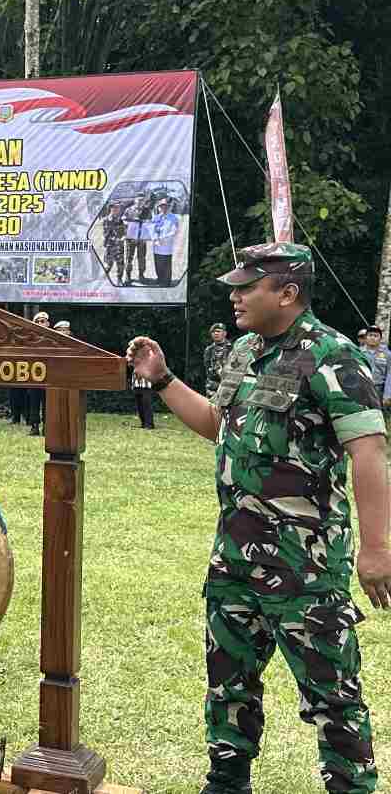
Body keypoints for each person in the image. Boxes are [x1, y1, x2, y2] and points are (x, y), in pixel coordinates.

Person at [128, 242, 390, 794]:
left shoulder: (334, 356)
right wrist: (162, 378)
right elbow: (216, 424)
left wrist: (376, 549)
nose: (236, 296)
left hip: (305, 567)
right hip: (235, 556)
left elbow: (368, 451)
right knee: (229, 682)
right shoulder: (244, 351)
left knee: (331, 694)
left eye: (248, 287)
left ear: (288, 293)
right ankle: (227, 780)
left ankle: (351, 787)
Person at [150, 198, 180, 286]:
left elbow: (174, 231)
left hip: (166, 245)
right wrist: (155, 239)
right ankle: (160, 279)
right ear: (159, 207)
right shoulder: (156, 217)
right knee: (158, 263)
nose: (163, 208)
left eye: (165, 206)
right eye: (162, 206)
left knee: (166, 264)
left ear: (168, 207)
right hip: (156, 245)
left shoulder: (173, 218)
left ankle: (166, 281)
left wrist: (162, 238)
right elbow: (152, 229)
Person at [123, 194, 151, 284]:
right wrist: (129, 222)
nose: (140, 202)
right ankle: (127, 276)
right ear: (135, 200)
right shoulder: (129, 210)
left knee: (142, 258)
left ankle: (141, 275)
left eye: (142, 200)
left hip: (142, 239)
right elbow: (123, 219)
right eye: (138, 200)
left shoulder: (147, 211)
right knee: (128, 258)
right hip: (130, 238)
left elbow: (150, 223)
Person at [202, 322, 232, 397]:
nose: (216, 333)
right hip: (213, 387)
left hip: (228, 385)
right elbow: (208, 368)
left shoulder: (232, 348)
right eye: (213, 332)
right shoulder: (209, 350)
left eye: (218, 331)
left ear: (224, 333)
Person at [359, 326, 389, 397]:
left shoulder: (387, 354)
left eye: (376, 336)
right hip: (362, 389)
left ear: (380, 339)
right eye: (370, 335)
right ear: (366, 337)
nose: (372, 338)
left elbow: (389, 375)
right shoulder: (359, 352)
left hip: (379, 391)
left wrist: (387, 394)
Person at [101, 202, 126, 285]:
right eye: (115, 207)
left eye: (118, 208)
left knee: (120, 264)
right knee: (108, 264)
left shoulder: (120, 220)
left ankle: (119, 279)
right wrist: (117, 239)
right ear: (111, 208)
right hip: (110, 246)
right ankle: (103, 280)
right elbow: (106, 234)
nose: (117, 209)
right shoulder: (106, 220)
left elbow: (123, 232)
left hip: (119, 246)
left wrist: (124, 236)